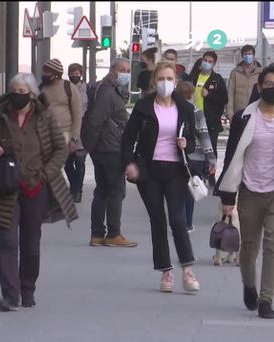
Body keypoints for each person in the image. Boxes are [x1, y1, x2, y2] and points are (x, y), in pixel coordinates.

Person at [0, 72, 77, 311]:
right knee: (7, 240)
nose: (18, 95)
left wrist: (45, 173)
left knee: (30, 243)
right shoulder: (0, 117)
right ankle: (10, 295)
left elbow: (60, 149)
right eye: (14, 90)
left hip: (36, 187)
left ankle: (27, 288)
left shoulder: (44, 117)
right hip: (7, 187)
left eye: (23, 92)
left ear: (32, 95)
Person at [122, 62, 200, 293]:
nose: (165, 82)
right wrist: (130, 164)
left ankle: (187, 269)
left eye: (169, 78)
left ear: (175, 82)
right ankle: (166, 272)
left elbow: (193, 140)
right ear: (154, 82)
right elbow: (127, 139)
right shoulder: (143, 107)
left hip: (176, 170)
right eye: (161, 78)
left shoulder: (185, 108)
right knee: (157, 220)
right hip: (150, 172)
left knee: (177, 219)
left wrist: (187, 143)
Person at [215, 65, 274, 319]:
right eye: (269, 84)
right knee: (249, 248)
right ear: (260, 87)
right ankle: (249, 285)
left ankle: (266, 298)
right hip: (250, 191)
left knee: (273, 245)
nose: (273, 88)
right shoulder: (244, 117)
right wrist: (228, 197)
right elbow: (231, 158)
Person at [81, 58, 138, 248]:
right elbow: (96, 120)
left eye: (128, 70)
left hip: (104, 146)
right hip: (110, 147)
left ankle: (97, 234)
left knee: (102, 191)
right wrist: (90, 146)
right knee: (115, 191)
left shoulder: (108, 89)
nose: (125, 73)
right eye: (122, 69)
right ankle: (113, 234)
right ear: (113, 70)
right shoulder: (107, 90)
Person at [175, 81, 217, 233]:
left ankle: (177, 221)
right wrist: (211, 159)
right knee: (190, 191)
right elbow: (204, 136)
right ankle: (187, 223)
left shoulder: (174, 111)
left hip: (178, 157)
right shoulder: (196, 112)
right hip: (196, 157)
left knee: (177, 192)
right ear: (191, 95)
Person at [39, 58, 83, 202]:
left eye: (47, 72)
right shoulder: (41, 89)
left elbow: (77, 114)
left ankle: (58, 195)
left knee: (56, 165)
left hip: (64, 133)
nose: (44, 74)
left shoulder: (69, 88)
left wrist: (74, 138)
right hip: (45, 134)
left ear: (55, 74)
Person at [190, 51, 228, 187]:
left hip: (210, 119)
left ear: (214, 64)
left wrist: (209, 95)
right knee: (194, 147)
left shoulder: (217, 79)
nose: (206, 63)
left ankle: (211, 174)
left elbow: (224, 99)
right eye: (205, 60)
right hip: (193, 117)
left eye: (210, 61)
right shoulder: (194, 76)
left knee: (210, 147)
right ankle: (195, 174)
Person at [67, 63, 89, 202]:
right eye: (72, 73)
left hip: (82, 129)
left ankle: (78, 191)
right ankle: (74, 186)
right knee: (68, 163)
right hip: (67, 130)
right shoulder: (65, 88)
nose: (75, 75)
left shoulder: (86, 90)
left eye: (77, 73)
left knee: (80, 162)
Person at [227, 44, 263, 119]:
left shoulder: (261, 73)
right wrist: (229, 111)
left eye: (249, 54)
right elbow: (230, 93)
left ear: (253, 55)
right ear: (242, 56)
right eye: (245, 54)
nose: (247, 56)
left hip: (256, 111)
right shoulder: (235, 72)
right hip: (239, 111)